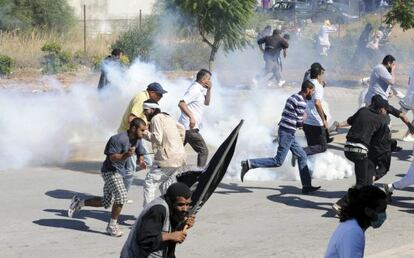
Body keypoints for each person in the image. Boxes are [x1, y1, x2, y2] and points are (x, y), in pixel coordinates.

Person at [67, 118, 147, 237]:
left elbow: (140, 152)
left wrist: (141, 161)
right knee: (121, 197)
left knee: (106, 202)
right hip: (110, 171)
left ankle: (79, 202)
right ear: (134, 128)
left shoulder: (137, 139)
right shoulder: (117, 139)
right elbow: (112, 158)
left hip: (121, 172)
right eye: (142, 130)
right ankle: (112, 226)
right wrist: (126, 155)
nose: (144, 132)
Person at [240, 81, 321, 194]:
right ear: (307, 89)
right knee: (278, 161)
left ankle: (306, 186)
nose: (312, 93)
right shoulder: (301, 103)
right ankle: (249, 163)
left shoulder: (293, 97)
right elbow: (299, 123)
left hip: (285, 131)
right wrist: (304, 118)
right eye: (312, 91)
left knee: (302, 155)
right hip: (287, 133)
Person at [333, 95, 389, 211]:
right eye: (384, 109)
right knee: (361, 184)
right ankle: (340, 204)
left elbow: (350, 121)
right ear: (380, 109)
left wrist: (338, 125)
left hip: (347, 148)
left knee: (368, 173)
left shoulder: (363, 110)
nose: (385, 111)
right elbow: (377, 142)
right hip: (360, 151)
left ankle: (365, 202)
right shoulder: (382, 120)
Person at [121, 182, 196, 258]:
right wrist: (171, 236)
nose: (185, 209)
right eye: (181, 205)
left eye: (187, 204)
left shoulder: (171, 208)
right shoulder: (158, 210)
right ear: (171, 201)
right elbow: (144, 240)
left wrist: (182, 227)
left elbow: (167, 230)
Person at [144, 100, 187, 206]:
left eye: (146, 110)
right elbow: (182, 129)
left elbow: (157, 138)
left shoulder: (156, 118)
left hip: (166, 158)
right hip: (179, 156)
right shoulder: (168, 117)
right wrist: (177, 145)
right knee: (165, 186)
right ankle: (170, 210)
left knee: (150, 182)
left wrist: (144, 133)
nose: (144, 112)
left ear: (152, 109)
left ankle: (148, 213)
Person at [325, 185, 388, 258]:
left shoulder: (351, 224)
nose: (383, 214)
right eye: (382, 210)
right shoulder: (354, 233)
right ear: (368, 211)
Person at [178, 69, 212, 167]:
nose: (210, 82)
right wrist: (191, 117)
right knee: (203, 151)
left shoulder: (200, 90)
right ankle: (199, 175)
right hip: (189, 128)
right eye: (208, 79)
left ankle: (165, 170)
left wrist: (209, 90)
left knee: (175, 151)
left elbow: (207, 103)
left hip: (186, 127)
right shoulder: (194, 89)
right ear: (203, 79)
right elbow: (181, 103)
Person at [302, 65, 330, 156]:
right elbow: (317, 103)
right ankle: (299, 152)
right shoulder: (318, 87)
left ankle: (308, 168)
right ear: (318, 75)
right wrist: (324, 120)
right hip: (315, 122)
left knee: (311, 148)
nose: (323, 76)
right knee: (322, 147)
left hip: (306, 121)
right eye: (322, 74)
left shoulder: (307, 83)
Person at [399, 64, 414, 141]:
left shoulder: (412, 66)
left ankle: (407, 135)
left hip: (409, 96)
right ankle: (407, 135)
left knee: (399, 113)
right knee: (399, 113)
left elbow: (409, 82)